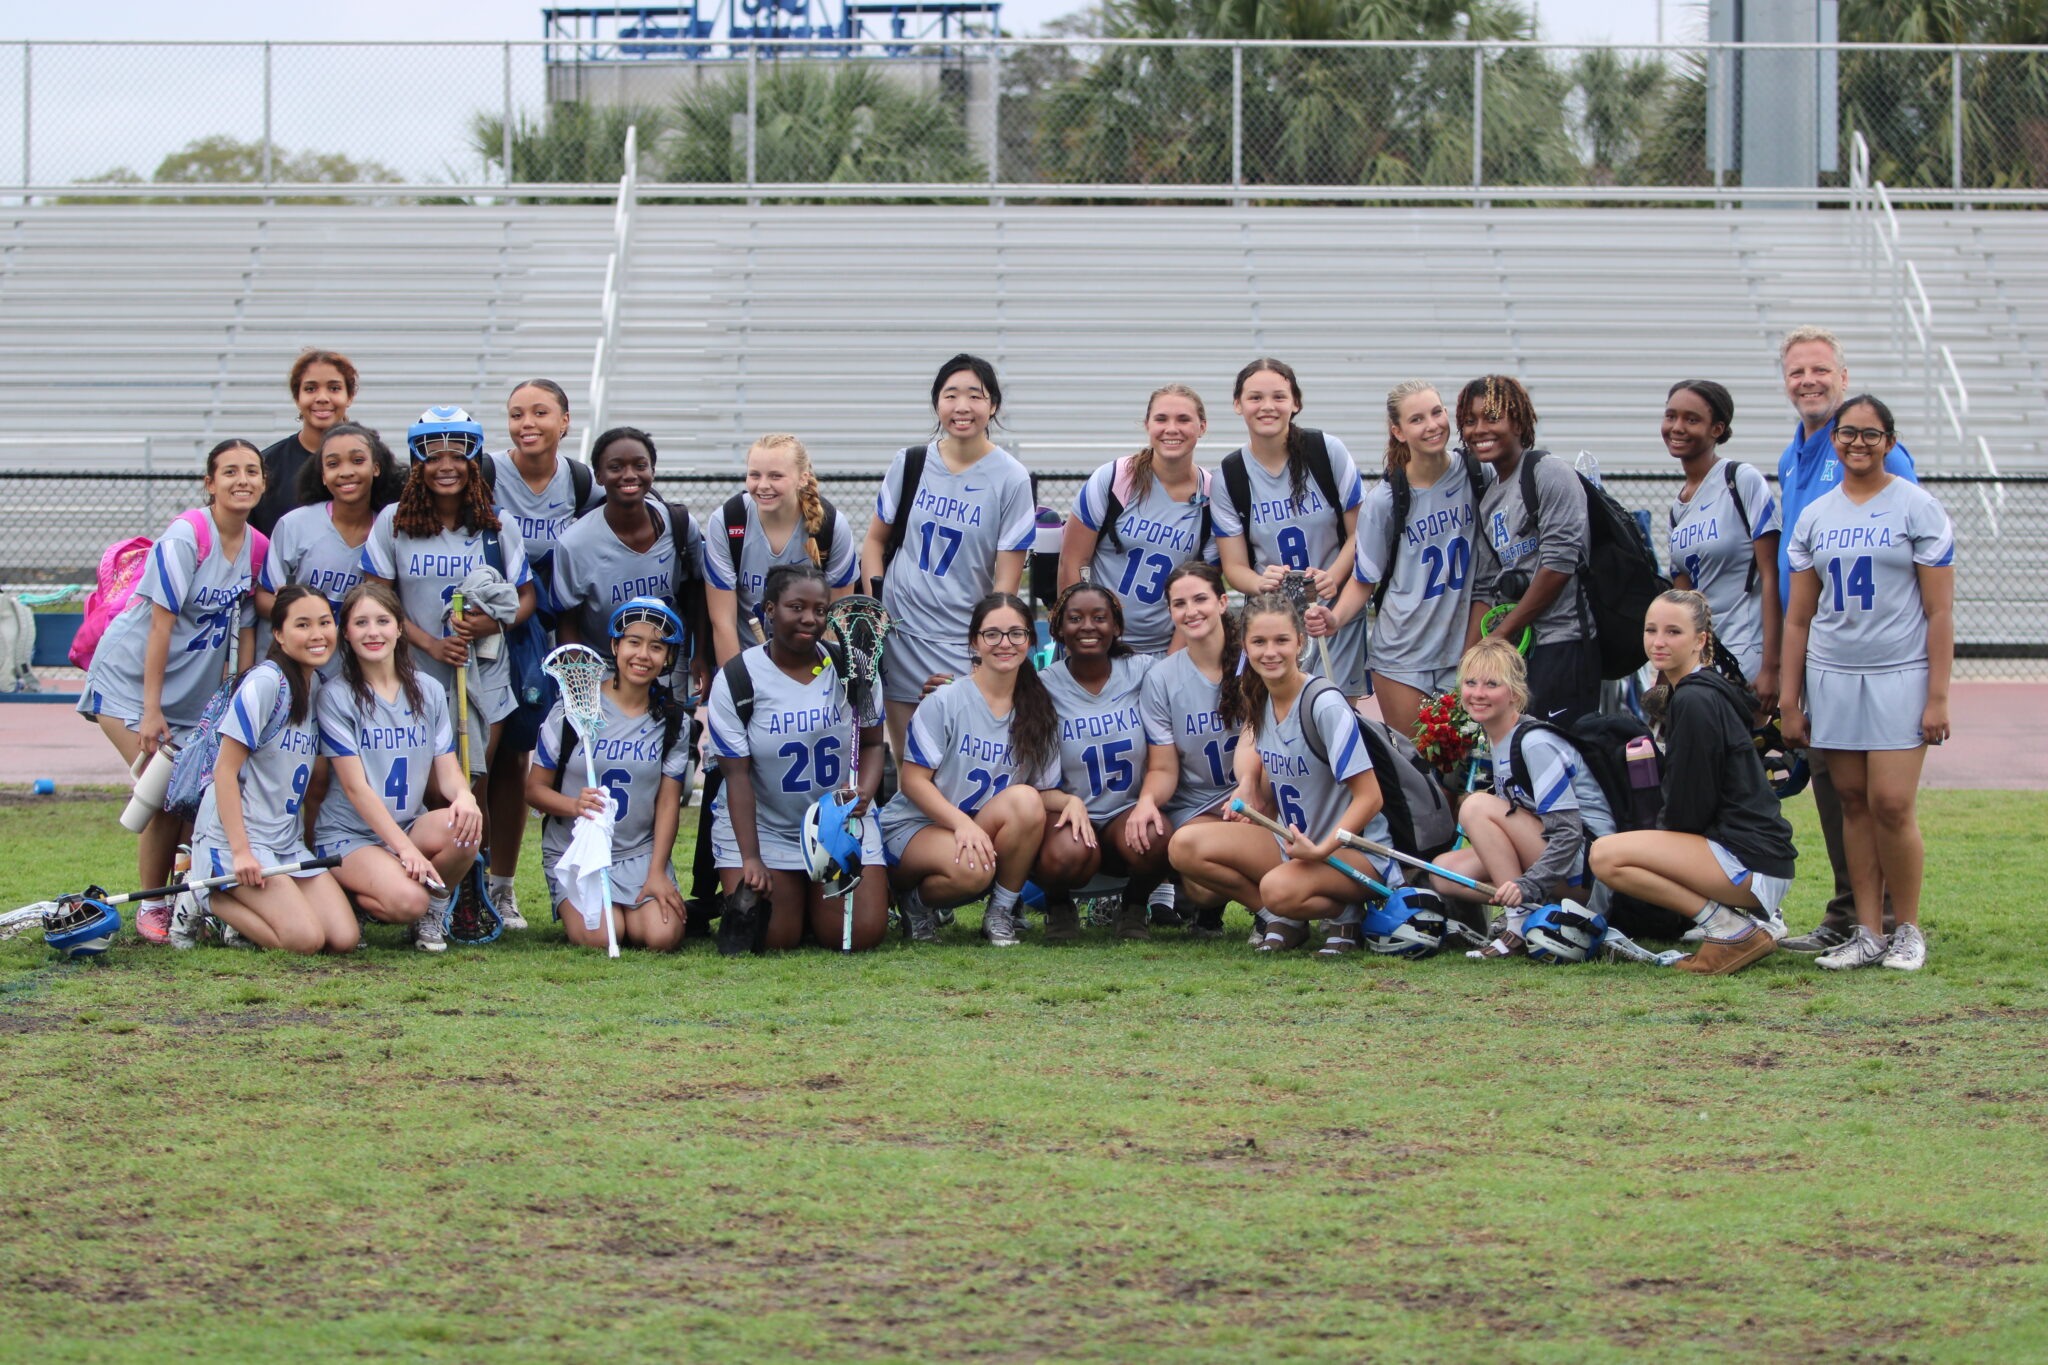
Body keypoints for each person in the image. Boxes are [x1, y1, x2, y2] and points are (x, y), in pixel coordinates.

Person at [1781, 395, 1953, 972]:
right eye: (1848, 433)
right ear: (1834, 440)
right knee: (1852, 802)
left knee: (1892, 804)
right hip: (1831, 674)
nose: (1858, 443)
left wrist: (1938, 696)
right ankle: (1868, 932)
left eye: (1871, 434)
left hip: (1899, 673)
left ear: (1890, 441)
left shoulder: (1918, 508)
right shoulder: (1814, 515)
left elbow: (1940, 613)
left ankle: (1907, 929)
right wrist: (1790, 700)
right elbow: (1799, 616)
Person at [79, 438, 264, 943]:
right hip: (130, 682)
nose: (241, 480)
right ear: (210, 483)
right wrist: (151, 709)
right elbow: (160, 628)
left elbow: (246, 628)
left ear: (263, 482)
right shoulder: (188, 535)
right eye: (229, 471)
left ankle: (193, 899)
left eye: (251, 470)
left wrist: (238, 699)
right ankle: (153, 906)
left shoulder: (258, 545)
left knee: (195, 797)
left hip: (194, 695)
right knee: (162, 792)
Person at [1772, 328, 1918, 956]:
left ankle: (1880, 916)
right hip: (1816, 648)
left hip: (1869, 656)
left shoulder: (1880, 454)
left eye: (1820, 370)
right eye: (1797, 371)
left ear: (1843, 375)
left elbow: (1903, 559)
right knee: (1833, 786)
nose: (1809, 380)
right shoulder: (1794, 453)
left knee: (1867, 793)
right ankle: (1852, 913)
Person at [360, 406, 537, 924]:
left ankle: (468, 892)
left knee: (471, 781)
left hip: (482, 676)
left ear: (472, 460)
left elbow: (525, 597)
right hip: (413, 674)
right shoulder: (393, 522)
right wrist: (428, 645)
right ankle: (418, 884)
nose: (446, 465)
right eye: (433, 455)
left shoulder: (495, 524)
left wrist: (491, 624)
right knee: (428, 784)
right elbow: (377, 595)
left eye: (456, 455)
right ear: (417, 462)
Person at [1167, 590, 1397, 956]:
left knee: (1277, 887)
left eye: (1281, 641)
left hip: (1353, 852)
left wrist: (1322, 850)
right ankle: (1285, 917)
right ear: (1244, 645)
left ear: (1300, 643)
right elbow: (1251, 753)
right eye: (1258, 641)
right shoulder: (1260, 697)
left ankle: (1345, 911)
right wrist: (1246, 786)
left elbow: (1371, 798)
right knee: (1184, 846)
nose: (1269, 652)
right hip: (1293, 846)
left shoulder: (1324, 703)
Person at [1589, 590, 1797, 975]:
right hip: (1755, 859)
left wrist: (1658, 843)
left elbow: (1690, 802)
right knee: (1624, 848)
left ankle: (1729, 929)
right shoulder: (1696, 691)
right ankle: (1732, 923)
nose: (1658, 641)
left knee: (1606, 855)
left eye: (1673, 632)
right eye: (1651, 630)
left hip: (1751, 862)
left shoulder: (1695, 700)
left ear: (1700, 641)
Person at [861, 355, 1037, 759]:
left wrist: (983, 652)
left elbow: (1005, 587)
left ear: (992, 405)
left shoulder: (1011, 478)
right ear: (937, 403)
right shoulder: (910, 463)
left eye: (975, 396)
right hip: (901, 637)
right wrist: (875, 608)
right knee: (911, 768)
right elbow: (873, 542)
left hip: (961, 644)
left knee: (958, 763)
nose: (962, 407)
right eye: (950, 395)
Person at [705, 565, 889, 951]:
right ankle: (798, 899)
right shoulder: (738, 677)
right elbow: (736, 777)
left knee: (856, 937)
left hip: (837, 824)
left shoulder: (853, 667)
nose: (810, 619)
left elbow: (873, 744)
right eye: (796, 607)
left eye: (820, 610)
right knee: (776, 938)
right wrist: (751, 858)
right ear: (769, 609)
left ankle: (823, 899)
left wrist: (863, 793)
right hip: (767, 826)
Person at [481, 379, 605, 934]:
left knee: (516, 759)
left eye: (539, 412)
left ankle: (502, 888)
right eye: (515, 414)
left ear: (565, 421)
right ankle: (467, 882)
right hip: (490, 630)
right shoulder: (484, 473)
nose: (526, 423)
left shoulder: (580, 483)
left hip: (549, 636)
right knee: (475, 763)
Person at [879, 592, 1060, 946]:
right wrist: (961, 824)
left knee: (1025, 800)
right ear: (975, 641)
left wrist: (1072, 804)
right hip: (917, 826)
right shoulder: (947, 699)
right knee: (974, 869)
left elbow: (1039, 794)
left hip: (976, 831)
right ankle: (916, 906)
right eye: (992, 634)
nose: (1004, 643)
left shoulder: (1038, 709)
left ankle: (1001, 912)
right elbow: (914, 781)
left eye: (1016, 634)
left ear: (1030, 641)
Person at [309, 581, 481, 952]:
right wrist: (406, 851)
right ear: (347, 633)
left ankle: (434, 912)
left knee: (467, 828)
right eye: (361, 623)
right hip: (351, 836)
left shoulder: (429, 690)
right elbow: (356, 788)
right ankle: (350, 895)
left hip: (408, 823)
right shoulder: (336, 696)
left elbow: (447, 770)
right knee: (407, 901)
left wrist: (464, 797)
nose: (373, 632)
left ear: (399, 627)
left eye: (383, 621)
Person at [185, 586, 354, 954]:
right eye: (303, 624)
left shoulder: (317, 686)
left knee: (343, 938)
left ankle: (245, 920)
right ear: (278, 633)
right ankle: (203, 897)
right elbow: (224, 772)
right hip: (239, 842)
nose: (317, 634)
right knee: (305, 941)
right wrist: (241, 852)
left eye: (325, 622)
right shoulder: (266, 683)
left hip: (284, 843)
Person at [1313, 380, 1484, 741]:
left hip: (1464, 650)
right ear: (1399, 431)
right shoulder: (1385, 500)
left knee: (1464, 773)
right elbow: (1364, 578)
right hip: (1403, 655)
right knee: (1419, 772)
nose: (1432, 425)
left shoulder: (1477, 474)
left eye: (1436, 412)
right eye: (1417, 419)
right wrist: (1335, 618)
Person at [1428, 637, 1614, 958]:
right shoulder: (1498, 738)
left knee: (1474, 806)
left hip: (1591, 872)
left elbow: (1568, 833)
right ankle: (1535, 915)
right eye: (1470, 683)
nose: (1478, 693)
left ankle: (1517, 926)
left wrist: (1526, 887)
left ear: (1514, 693)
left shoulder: (1534, 742)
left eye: (1491, 684)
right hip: (1559, 862)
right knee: (1443, 872)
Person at [526, 598, 692, 952]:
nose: (643, 655)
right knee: (604, 936)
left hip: (638, 852)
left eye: (656, 646)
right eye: (634, 642)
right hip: (579, 850)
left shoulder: (674, 720)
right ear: (615, 646)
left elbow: (666, 804)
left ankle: (634, 903)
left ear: (668, 657)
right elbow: (534, 790)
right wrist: (574, 805)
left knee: (661, 937)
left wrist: (657, 872)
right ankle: (608, 911)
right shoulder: (571, 710)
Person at [1209, 359, 1368, 699]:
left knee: (1336, 719)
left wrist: (1334, 576)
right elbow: (1234, 566)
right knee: (1279, 724)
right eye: (1255, 397)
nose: (1267, 406)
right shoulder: (1230, 475)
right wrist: (1259, 582)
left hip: (1332, 615)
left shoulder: (1327, 452)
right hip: (1272, 623)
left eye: (1279, 397)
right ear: (1238, 405)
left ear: (1295, 403)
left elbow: (1361, 535)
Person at [1463, 375, 1599, 725]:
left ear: (1520, 422)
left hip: (1563, 643)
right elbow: (1486, 585)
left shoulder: (1548, 472)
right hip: (1518, 652)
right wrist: (1473, 656)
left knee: (1559, 753)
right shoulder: (1489, 498)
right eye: (1469, 420)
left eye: (1492, 418)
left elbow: (1558, 566)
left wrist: (1501, 633)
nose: (1479, 429)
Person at [1031, 583, 1163, 941]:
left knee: (1156, 834)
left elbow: (1193, 681)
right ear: (1058, 629)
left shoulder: (1143, 671)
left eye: (1099, 618)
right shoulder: (1042, 684)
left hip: (1126, 814)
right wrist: (944, 689)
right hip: (1068, 816)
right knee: (1064, 855)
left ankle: (1134, 909)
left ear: (1117, 627)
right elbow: (988, 698)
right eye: (1075, 619)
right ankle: (1058, 908)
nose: (1087, 626)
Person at [1129, 562, 1244, 939]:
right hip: (1196, 806)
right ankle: (1222, 912)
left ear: (1223, 602)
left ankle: (1275, 911)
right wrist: (1147, 800)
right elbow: (1163, 767)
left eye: (1200, 599)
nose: (1191, 611)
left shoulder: (1255, 660)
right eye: (1180, 604)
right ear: (1170, 612)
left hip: (1254, 799)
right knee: (1198, 878)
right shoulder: (1162, 677)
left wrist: (1251, 794)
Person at [1057, 384, 1217, 655]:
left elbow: (1203, 591)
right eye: (1161, 419)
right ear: (1147, 425)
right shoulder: (1115, 479)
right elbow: (1073, 561)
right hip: (1099, 644)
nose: (1172, 429)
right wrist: (1084, 646)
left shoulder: (1212, 496)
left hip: (1165, 649)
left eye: (1183, 419)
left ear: (1202, 427)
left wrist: (1170, 666)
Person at [1663, 380, 1780, 699]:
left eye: (1692, 419)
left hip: (1746, 656)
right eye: (1671, 416)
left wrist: (1772, 667)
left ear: (1717, 429)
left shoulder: (1740, 480)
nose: (1677, 427)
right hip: (1702, 664)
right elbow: (1682, 598)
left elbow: (1772, 575)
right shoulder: (1678, 507)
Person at [258, 422, 405, 668]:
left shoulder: (389, 529)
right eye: (333, 464)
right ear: (323, 475)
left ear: (376, 468)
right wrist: (309, 621)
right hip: (299, 666)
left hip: (357, 670)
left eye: (357, 461)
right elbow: (263, 596)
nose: (346, 472)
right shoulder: (295, 525)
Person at [704, 433, 858, 665]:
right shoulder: (727, 521)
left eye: (776, 476)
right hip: (747, 661)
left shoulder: (831, 526)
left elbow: (837, 620)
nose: (763, 485)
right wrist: (738, 686)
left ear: (802, 478)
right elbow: (722, 622)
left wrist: (818, 677)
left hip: (809, 665)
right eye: (754, 475)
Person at [250, 349, 357, 536]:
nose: (322, 398)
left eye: (334, 388)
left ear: (349, 396)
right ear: (297, 397)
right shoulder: (266, 466)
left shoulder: (373, 463)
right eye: (310, 389)